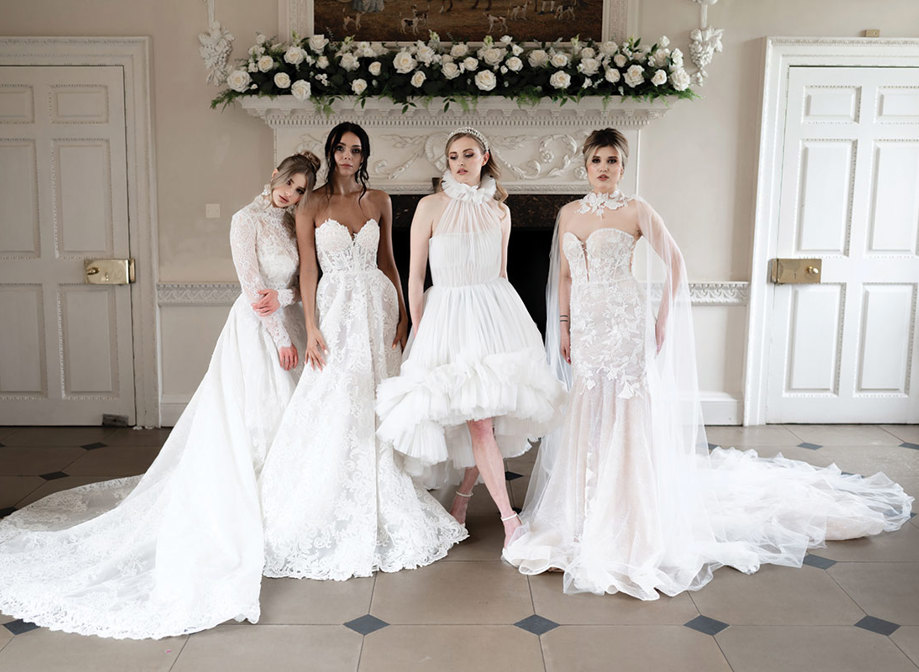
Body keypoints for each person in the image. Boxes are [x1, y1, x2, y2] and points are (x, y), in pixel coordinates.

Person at [503, 128, 913, 598]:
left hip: (624, 321)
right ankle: (582, 505)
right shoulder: (567, 213)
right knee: (589, 406)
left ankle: (630, 510)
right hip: (589, 328)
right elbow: (566, 275)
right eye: (596, 160)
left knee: (626, 406)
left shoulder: (637, 210)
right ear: (585, 164)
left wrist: (660, 319)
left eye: (613, 161)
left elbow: (675, 261)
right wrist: (565, 322)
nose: (604, 168)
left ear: (623, 166)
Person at [0, 153, 321, 637]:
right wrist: (278, 338)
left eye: (301, 190)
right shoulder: (245, 220)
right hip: (258, 332)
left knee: (295, 420)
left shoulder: (289, 220)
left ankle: (288, 510)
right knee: (260, 419)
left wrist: (291, 310)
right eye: (289, 184)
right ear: (274, 174)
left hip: (292, 323)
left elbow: (297, 283)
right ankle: (254, 516)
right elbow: (253, 286)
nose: (292, 195)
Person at [260, 123, 467, 580]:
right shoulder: (311, 203)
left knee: (381, 395)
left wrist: (405, 316)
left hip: (378, 305)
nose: (347, 156)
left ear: (364, 155)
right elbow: (309, 271)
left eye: (355, 150)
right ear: (331, 152)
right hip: (336, 310)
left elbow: (388, 260)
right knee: (336, 394)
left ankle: (386, 481)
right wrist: (312, 327)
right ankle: (334, 489)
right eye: (340, 148)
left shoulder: (379, 201)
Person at [376, 127, 566, 547]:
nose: (459, 162)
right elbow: (415, 274)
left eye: (467, 154)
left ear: (485, 156)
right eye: (452, 156)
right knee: (477, 423)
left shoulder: (501, 211)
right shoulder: (429, 207)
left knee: (485, 421)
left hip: (495, 315)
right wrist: (420, 326)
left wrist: (507, 324)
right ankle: (507, 519)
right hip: (447, 317)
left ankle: (465, 500)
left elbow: (501, 273)